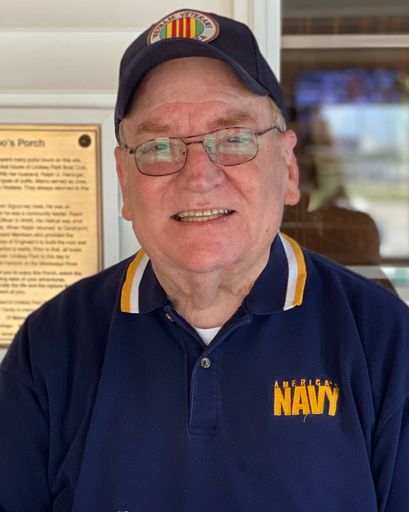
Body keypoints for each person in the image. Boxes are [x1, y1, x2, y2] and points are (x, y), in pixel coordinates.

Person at [0, 9, 408, 512]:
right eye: (159, 146)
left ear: (287, 166)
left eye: (233, 138)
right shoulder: (51, 345)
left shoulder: (385, 342)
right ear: (124, 179)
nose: (198, 176)